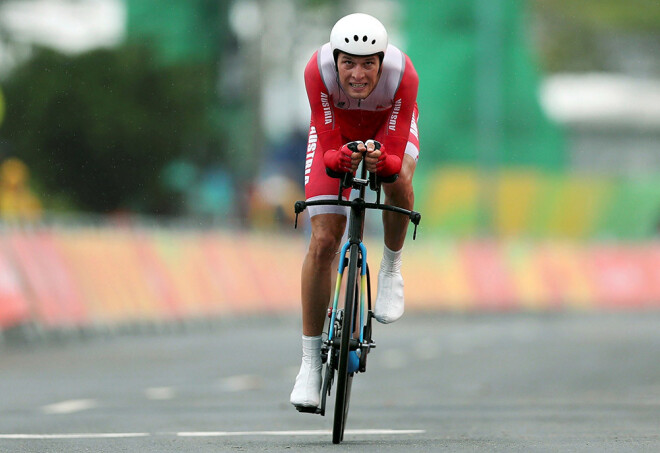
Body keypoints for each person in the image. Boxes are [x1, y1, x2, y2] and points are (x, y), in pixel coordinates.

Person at [291, 13, 420, 410]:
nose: (359, 74)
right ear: (335, 60)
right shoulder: (317, 70)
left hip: (387, 129)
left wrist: (385, 162)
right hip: (337, 132)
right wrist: (339, 158)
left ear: (383, 60)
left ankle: (391, 268)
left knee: (398, 180)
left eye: (368, 64)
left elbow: (396, 151)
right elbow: (327, 137)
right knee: (324, 238)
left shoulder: (404, 75)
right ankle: (310, 365)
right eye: (349, 62)